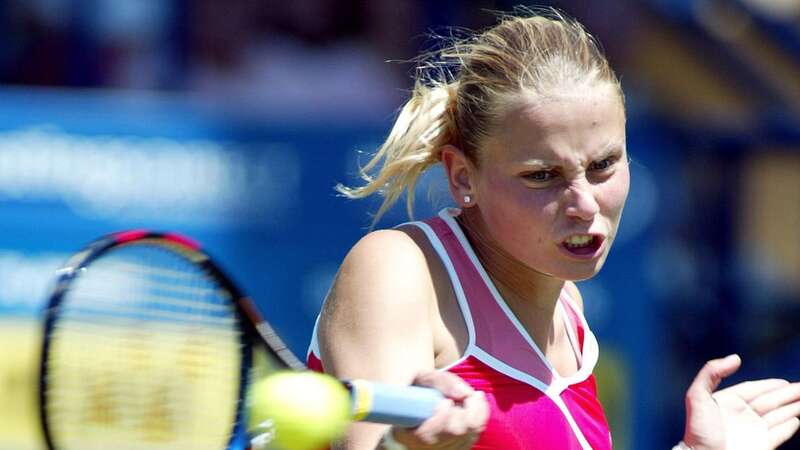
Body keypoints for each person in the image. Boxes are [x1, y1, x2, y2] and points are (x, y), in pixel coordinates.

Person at [306, 9, 800, 450]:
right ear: (462, 177)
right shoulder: (397, 269)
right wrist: (407, 446)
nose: (584, 204)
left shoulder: (570, 314)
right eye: (542, 176)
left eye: (604, 164)